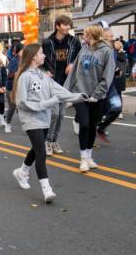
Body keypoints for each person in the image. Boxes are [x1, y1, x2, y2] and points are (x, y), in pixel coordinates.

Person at [11, 44, 87, 202]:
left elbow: (60, 91)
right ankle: (47, 189)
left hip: (44, 119)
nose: (44, 56)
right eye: (41, 53)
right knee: (41, 153)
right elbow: (22, 102)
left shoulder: (42, 75)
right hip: (31, 119)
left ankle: (22, 171)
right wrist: (47, 103)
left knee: (36, 148)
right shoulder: (25, 76)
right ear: (33, 57)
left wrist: (81, 97)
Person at [64, 24, 115, 172]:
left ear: (91, 35)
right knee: (84, 125)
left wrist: (96, 95)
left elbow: (108, 76)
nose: (83, 36)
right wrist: (67, 91)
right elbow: (75, 71)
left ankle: (89, 156)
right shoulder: (84, 48)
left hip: (96, 97)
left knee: (93, 126)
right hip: (80, 94)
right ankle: (83, 158)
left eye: (85, 34)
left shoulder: (106, 51)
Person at [42, 15, 81, 156]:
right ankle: (47, 141)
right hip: (51, 83)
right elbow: (40, 61)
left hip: (66, 83)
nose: (68, 27)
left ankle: (54, 141)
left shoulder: (74, 41)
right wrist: (45, 71)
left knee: (62, 115)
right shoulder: (47, 42)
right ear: (58, 26)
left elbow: (79, 58)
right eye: (65, 25)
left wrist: (71, 64)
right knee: (54, 113)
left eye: (69, 25)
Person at [96, 30, 123, 142]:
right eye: (110, 36)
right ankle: (89, 136)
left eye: (113, 35)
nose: (113, 38)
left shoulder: (113, 50)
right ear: (104, 38)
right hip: (100, 87)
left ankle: (100, 128)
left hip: (111, 87)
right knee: (97, 114)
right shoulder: (99, 51)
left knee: (117, 108)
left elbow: (113, 67)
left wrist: (117, 72)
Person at [5, 43, 23, 133]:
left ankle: (26, 126)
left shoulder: (24, 60)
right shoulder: (14, 61)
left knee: (23, 107)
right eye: (23, 50)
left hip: (21, 88)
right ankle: (8, 124)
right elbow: (12, 75)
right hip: (11, 88)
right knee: (12, 107)